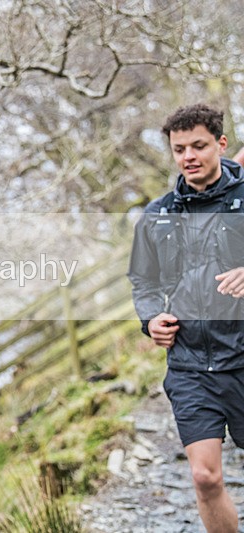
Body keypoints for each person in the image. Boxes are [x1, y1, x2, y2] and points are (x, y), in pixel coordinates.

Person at [128, 104, 244, 533]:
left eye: (198, 145)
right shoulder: (157, 216)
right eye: (180, 149)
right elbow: (142, 280)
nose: (189, 156)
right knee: (205, 477)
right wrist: (150, 318)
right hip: (191, 365)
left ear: (220, 143)